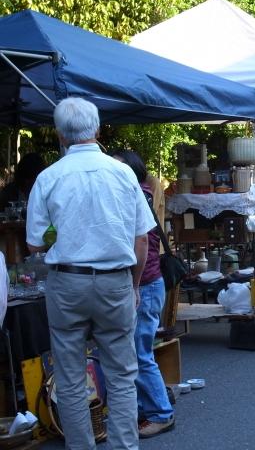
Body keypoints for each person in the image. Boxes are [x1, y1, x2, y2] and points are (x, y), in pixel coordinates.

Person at [26, 98, 156, 450]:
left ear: (59, 135)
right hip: (115, 280)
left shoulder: (48, 177)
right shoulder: (123, 173)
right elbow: (141, 238)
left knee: (69, 378)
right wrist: (132, 285)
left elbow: (35, 244)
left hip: (67, 282)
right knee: (122, 376)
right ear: (97, 130)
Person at [111, 150, 175, 438]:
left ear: (133, 172)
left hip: (146, 285)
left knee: (140, 353)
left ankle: (162, 414)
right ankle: (143, 409)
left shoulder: (137, 197)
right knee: (134, 352)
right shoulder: (139, 194)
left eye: (120, 167)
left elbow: (142, 247)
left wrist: (134, 286)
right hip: (146, 284)